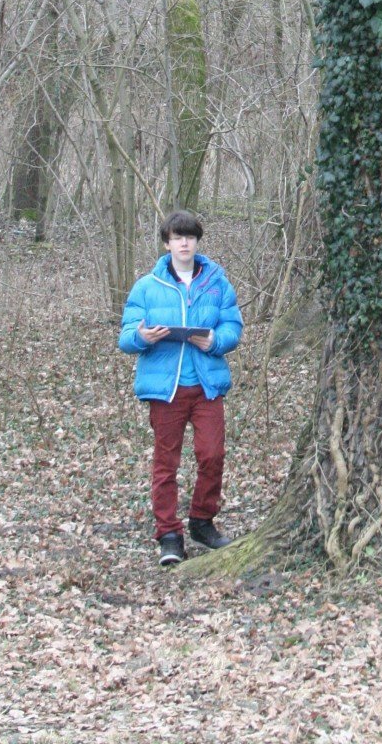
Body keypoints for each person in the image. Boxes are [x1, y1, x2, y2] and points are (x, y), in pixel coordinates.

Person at [118, 210, 243, 566]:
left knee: (211, 454)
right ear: (167, 243)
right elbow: (126, 336)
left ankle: (203, 522)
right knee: (166, 463)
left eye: (189, 237)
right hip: (165, 390)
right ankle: (169, 534)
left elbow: (233, 325)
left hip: (207, 385)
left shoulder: (217, 282)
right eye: (177, 237)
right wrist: (142, 336)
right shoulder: (147, 286)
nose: (184, 243)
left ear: (197, 241)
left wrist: (216, 340)